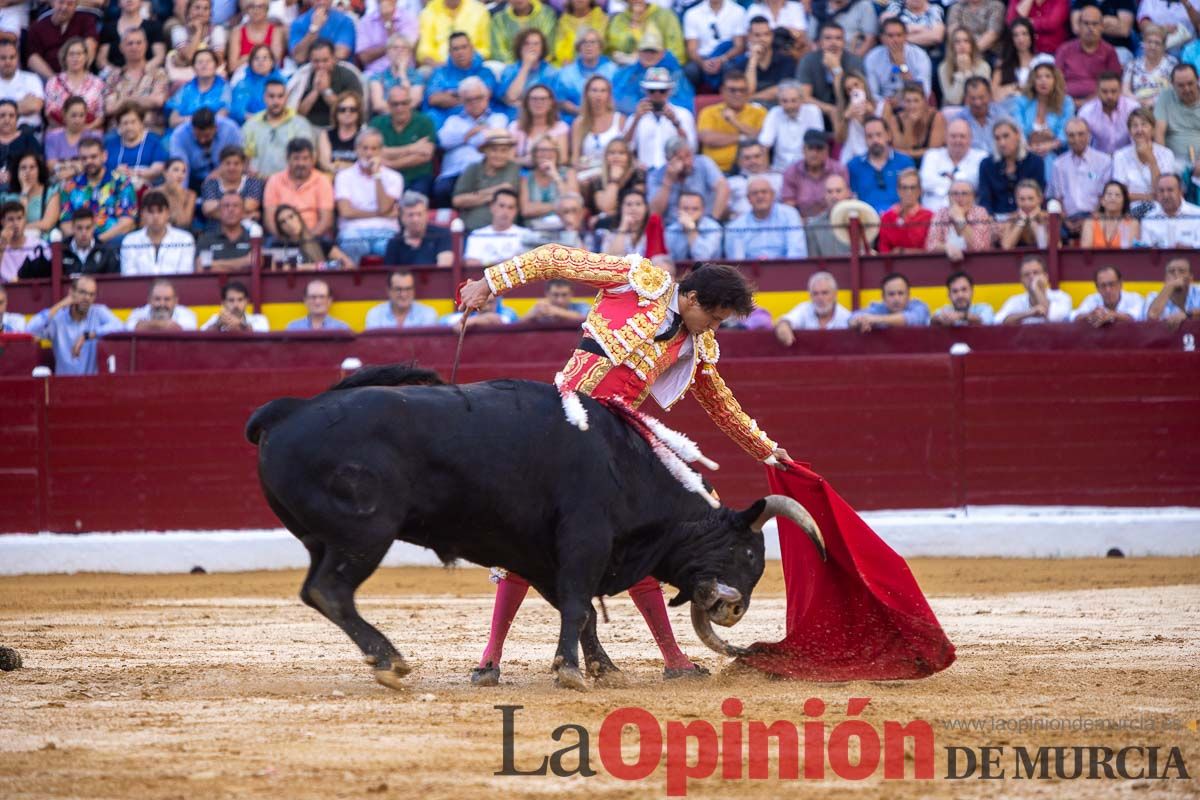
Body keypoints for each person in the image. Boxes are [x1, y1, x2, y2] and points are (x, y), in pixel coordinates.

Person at [458, 246, 794, 686]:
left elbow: (721, 405)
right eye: (713, 318)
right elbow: (556, 259)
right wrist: (490, 283)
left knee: (643, 540)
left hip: (613, 446)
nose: (714, 329)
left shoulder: (698, 344)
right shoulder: (636, 279)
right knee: (525, 537)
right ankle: (490, 657)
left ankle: (673, 657)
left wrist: (767, 450)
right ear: (692, 300)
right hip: (560, 426)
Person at [435, 78, 510, 209]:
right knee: (441, 190)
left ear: (487, 97)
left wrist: (463, 138)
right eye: (469, 100)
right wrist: (471, 133)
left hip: (486, 174)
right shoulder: (453, 120)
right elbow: (443, 141)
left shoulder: (498, 118)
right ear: (462, 101)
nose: (475, 103)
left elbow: (491, 139)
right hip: (455, 173)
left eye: (479, 98)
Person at [26, 275, 123, 376]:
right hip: (64, 385)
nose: (87, 298)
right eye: (82, 293)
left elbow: (120, 327)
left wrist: (86, 336)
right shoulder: (59, 319)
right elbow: (30, 330)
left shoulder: (98, 312)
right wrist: (61, 304)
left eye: (91, 294)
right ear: (71, 293)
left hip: (92, 385)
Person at [57, 138, 138, 245]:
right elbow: (65, 223)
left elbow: (127, 223)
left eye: (93, 157)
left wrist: (97, 242)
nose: (89, 161)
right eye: (84, 158)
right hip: (80, 245)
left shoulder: (121, 182)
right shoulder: (70, 186)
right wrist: (83, 242)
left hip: (112, 244)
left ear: (104, 156)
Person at [622, 67, 697, 171]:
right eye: (652, 91)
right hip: (645, 174)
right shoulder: (635, 117)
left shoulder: (683, 114)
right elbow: (624, 148)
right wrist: (636, 120)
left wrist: (675, 123)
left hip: (675, 172)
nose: (657, 95)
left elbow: (691, 147)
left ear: (670, 91)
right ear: (645, 91)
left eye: (662, 91)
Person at [1049, 119, 1114, 238]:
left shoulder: (1104, 161)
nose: (1076, 139)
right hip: (1067, 219)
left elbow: (1105, 196)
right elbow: (1058, 198)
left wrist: (1092, 218)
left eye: (1081, 134)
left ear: (1089, 135)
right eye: (1071, 135)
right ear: (1066, 137)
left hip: (1095, 216)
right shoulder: (1058, 164)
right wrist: (1065, 221)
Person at [450, 128, 522, 232]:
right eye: (494, 150)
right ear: (485, 150)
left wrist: (474, 195)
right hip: (472, 228)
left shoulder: (512, 167)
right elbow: (457, 201)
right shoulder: (473, 168)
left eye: (504, 150)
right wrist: (494, 195)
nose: (499, 155)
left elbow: (506, 191)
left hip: (505, 230)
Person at [370, 86, 435, 199]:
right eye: (395, 104)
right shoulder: (377, 123)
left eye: (404, 103)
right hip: (385, 176)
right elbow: (373, 151)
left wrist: (391, 164)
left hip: (417, 176)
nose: (400, 108)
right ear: (388, 105)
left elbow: (425, 155)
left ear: (410, 103)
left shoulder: (425, 122)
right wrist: (412, 148)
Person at [243, 79, 316, 179]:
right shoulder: (251, 124)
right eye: (271, 96)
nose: (276, 101)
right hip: (257, 182)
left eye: (280, 96)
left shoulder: (300, 124)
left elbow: (309, 157)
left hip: (291, 182)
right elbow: (243, 156)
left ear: (286, 98)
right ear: (264, 98)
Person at [647, 137, 729, 226]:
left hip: (704, 225)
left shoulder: (703, 163)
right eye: (680, 158)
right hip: (672, 229)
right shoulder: (656, 176)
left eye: (688, 156)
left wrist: (714, 220)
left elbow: (723, 187)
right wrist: (668, 181)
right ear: (668, 160)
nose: (686, 162)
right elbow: (654, 213)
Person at [796, 22, 865, 126]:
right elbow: (804, 97)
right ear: (820, 42)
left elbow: (856, 96)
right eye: (828, 38)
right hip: (818, 113)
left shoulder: (854, 62)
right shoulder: (808, 60)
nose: (833, 43)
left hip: (848, 112)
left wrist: (836, 69)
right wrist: (830, 109)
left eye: (838, 38)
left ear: (844, 42)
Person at [424, 32, 499, 129]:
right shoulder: (441, 73)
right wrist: (470, 97)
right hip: (447, 118)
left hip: (479, 118)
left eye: (464, 47)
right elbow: (433, 99)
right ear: (450, 52)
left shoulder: (485, 72)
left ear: (472, 49)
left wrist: (453, 94)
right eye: (456, 49)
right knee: (431, 116)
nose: (460, 52)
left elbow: (485, 96)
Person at [263, 138, 334, 239]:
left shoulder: (322, 181)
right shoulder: (274, 181)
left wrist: (307, 240)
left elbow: (326, 220)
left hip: (315, 236)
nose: (301, 163)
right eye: (296, 158)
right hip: (281, 237)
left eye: (305, 158)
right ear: (288, 159)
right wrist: (284, 239)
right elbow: (269, 219)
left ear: (312, 159)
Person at [101, 27, 170, 132]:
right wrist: (144, 100)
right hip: (119, 131)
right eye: (130, 43)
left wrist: (125, 100)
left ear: (146, 45)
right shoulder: (113, 77)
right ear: (121, 47)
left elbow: (158, 101)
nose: (135, 47)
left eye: (139, 43)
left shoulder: (159, 73)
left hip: (150, 129)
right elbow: (110, 108)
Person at [698, 72, 767, 174]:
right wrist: (742, 137)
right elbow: (707, 138)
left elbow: (761, 138)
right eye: (732, 90)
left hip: (751, 171)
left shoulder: (759, 112)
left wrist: (735, 121)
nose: (738, 94)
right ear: (722, 91)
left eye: (742, 90)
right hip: (716, 171)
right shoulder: (708, 112)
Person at [725, 176, 805, 259]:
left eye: (764, 192)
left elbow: (796, 252)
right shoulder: (736, 226)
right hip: (749, 271)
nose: (760, 196)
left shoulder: (789, 215)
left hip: (786, 269)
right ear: (748, 198)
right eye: (755, 193)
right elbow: (737, 261)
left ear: (773, 195)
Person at [848, 116, 916, 213]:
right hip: (866, 221)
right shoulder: (854, 165)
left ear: (888, 135)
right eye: (870, 136)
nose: (875, 140)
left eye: (879, 135)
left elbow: (914, 196)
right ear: (864, 139)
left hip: (900, 219)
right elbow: (852, 199)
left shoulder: (905, 162)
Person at [1113, 106, 1176, 211]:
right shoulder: (1120, 156)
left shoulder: (1166, 154)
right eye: (1134, 126)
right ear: (1129, 131)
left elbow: (1163, 190)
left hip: (1160, 209)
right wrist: (1148, 197)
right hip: (1130, 209)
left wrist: (1151, 160)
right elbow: (1119, 193)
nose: (1139, 130)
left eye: (1144, 125)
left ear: (1153, 129)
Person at [169, 108, 244, 194]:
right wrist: (180, 194)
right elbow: (180, 166)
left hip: (224, 176)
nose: (202, 140)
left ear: (215, 128)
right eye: (198, 136)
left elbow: (239, 159)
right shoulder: (179, 136)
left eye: (206, 136)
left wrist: (218, 173)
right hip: (193, 179)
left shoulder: (231, 129)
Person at [978, 120, 1045, 218]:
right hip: (996, 218)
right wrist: (991, 220)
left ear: (1017, 135)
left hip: (1028, 216)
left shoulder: (1035, 162)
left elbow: (1038, 195)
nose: (1002, 143)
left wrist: (1016, 218)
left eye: (1006, 136)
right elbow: (985, 199)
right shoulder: (987, 164)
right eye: (997, 138)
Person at [121, 190, 196, 276]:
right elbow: (129, 278)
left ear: (168, 213)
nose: (155, 217)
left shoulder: (185, 239)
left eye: (160, 211)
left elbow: (185, 276)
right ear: (142, 214)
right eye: (150, 211)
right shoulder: (129, 241)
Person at [1056, 4, 1121, 103]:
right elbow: (1056, 82)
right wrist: (1071, 103)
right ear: (1079, 25)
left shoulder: (1109, 52)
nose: (1090, 28)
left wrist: (1088, 103)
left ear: (1102, 27)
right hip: (1066, 103)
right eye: (1086, 23)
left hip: (1100, 104)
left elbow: (1114, 84)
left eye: (1095, 24)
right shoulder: (1064, 50)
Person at [919, 119, 986, 212]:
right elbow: (926, 183)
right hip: (932, 215)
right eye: (953, 136)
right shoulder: (932, 155)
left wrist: (941, 183)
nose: (957, 140)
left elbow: (977, 184)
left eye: (962, 136)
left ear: (971, 138)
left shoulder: (982, 158)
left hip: (968, 217)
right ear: (945, 138)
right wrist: (962, 185)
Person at [781, 130, 850, 219]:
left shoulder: (839, 170)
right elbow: (788, 206)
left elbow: (846, 198)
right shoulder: (792, 172)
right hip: (801, 224)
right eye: (810, 148)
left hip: (834, 221)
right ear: (803, 150)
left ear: (827, 150)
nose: (814, 153)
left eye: (819, 148)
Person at [1014, 63, 1075, 161]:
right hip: (1026, 150)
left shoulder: (1067, 102)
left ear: (1055, 80)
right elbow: (1018, 128)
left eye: (1048, 76)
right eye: (1038, 77)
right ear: (1033, 82)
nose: (1043, 81)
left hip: (1058, 151)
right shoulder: (1021, 102)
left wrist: (1050, 145)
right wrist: (1027, 146)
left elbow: (1065, 131)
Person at [863, 18, 933, 104]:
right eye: (890, 36)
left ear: (905, 36)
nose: (895, 40)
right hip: (885, 104)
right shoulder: (872, 57)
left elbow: (924, 92)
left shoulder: (919, 56)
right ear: (882, 38)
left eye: (899, 35)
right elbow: (872, 93)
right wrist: (887, 103)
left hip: (912, 103)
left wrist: (902, 65)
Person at [682, 0, 746, 93]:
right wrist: (703, 63)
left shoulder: (738, 11)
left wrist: (721, 59)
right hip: (702, 59)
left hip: (727, 57)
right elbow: (691, 49)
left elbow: (739, 46)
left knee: (731, 68)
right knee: (690, 70)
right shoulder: (692, 13)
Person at [758, 80, 822, 173]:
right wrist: (766, 172)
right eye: (785, 101)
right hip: (779, 171)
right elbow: (764, 145)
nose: (789, 106)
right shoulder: (774, 113)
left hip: (806, 171)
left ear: (802, 100)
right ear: (779, 101)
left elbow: (817, 145)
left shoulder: (813, 112)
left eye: (794, 100)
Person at [26, 0, 98, 81]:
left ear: (76, 6)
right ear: (53, 3)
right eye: (61, 2)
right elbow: (33, 58)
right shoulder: (38, 27)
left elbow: (91, 44)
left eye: (70, 4)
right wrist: (54, 79)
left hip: (81, 76)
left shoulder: (85, 20)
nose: (64, 7)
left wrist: (80, 72)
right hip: (49, 78)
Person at [297, 40, 362, 130]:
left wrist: (326, 91)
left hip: (340, 128)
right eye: (316, 61)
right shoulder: (303, 77)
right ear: (310, 60)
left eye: (325, 60)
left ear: (333, 59)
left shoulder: (348, 76)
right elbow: (299, 114)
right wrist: (315, 91)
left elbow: (352, 111)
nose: (321, 65)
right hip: (309, 127)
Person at [268, 203, 354, 270]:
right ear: (280, 228)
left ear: (298, 217)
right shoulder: (278, 247)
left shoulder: (321, 242)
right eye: (283, 222)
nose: (289, 223)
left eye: (291, 217)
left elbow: (348, 264)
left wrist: (309, 267)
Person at [735, 15, 798, 106]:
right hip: (752, 110)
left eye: (766, 34)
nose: (762, 39)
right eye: (757, 35)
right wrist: (753, 61)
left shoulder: (785, 60)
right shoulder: (741, 64)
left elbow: (783, 89)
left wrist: (752, 98)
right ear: (749, 37)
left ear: (772, 36)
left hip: (779, 108)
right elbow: (747, 91)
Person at [521, 135, 580, 230]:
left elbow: (573, 205)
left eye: (550, 150)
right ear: (534, 154)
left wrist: (555, 176)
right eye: (541, 150)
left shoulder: (569, 173)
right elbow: (526, 210)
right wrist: (557, 206)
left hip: (563, 228)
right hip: (535, 229)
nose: (546, 154)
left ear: (557, 153)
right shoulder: (527, 178)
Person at [44, 38, 105, 130]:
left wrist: (84, 130)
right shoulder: (54, 82)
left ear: (86, 57)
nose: (75, 58)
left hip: (89, 135)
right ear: (64, 58)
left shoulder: (97, 83)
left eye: (79, 54)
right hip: (61, 134)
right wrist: (69, 133)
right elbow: (49, 113)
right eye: (71, 54)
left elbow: (101, 115)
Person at [774, 271, 852, 343]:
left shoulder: (845, 316)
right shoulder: (804, 309)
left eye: (825, 293)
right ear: (810, 296)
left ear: (835, 294)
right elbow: (787, 320)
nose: (820, 298)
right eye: (815, 294)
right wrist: (783, 325)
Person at [570, 75, 624, 175]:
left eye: (603, 91)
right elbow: (575, 158)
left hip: (614, 172)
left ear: (609, 94)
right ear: (587, 94)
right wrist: (580, 166)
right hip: (587, 174)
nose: (598, 95)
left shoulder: (619, 119)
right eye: (594, 90)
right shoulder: (579, 123)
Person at [995, 254, 1073, 324]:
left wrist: (1037, 289)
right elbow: (998, 321)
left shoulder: (1061, 297)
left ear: (1046, 276)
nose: (1032, 277)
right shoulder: (1015, 301)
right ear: (1022, 281)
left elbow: (1055, 318)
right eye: (1026, 275)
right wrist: (1029, 313)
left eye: (1036, 273)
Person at [606, 0, 686, 67]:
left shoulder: (665, 15)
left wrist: (660, 63)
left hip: (663, 67)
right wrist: (634, 29)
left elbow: (676, 51)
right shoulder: (619, 19)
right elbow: (617, 49)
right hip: (629, 69)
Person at [463, 188, 532, 266]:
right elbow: (471, 263)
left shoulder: (526, 234)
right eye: (501, 206)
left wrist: (488, 264)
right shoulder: (477, 234)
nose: (505, 211)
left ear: (516, 211)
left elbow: (527, 264)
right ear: (492, 207)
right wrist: (507, 262)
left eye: (510, 207)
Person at [925, 180, 992, 260]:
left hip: (975, 263)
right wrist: (947, 247)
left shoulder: (980, 213)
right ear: (949, 197)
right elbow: (930, 245)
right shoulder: (941, 213)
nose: (959, 198)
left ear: (972, 197)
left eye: (964, 194)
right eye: (955, 194)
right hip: (945, 264)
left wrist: (960, 219)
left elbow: (979, 247)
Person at [200, 146, 263, 229]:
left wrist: (219, 207)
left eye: (236, 163)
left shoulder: (253, 183)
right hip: (215, 230)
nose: (231, 168)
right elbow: (208, 209)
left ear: (243, 165)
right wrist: (246, 215)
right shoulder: (210, 184)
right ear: (221, 165)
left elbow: (250, 206)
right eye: (227, 163)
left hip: (246, 229)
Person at [165, 48, 229, 130]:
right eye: (200, 62)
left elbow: (222, 116)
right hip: (185, 132)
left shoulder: (224, 87)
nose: (204, 65)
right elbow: (173, 121)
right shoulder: (185, 89)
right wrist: (194, 121)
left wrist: (189, 120)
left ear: (215, 66)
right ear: (193, 67)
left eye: (208, 61)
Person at [105, 105, 168, 187]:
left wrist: (134, 172)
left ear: (141, 123)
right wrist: (115, 172)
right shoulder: (111, 143)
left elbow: (158, 169)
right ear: (119, 126)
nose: (129, 127)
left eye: (133, 122)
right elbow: (103, 170)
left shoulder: (153, 142)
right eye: (125, 123)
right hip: (115, 190)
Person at [384, 191, 452, 267]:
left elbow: (444, 269)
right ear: (402, 217)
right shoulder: (394, 242)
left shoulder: (443, 235)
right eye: (410, 215)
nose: (415, 219)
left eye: (419, 214)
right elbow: (390, 275)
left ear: (427, 215)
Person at [832, 71, 886, 166]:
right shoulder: (842, 110)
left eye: (856, 85)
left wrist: (872, 113)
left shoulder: (881, 105)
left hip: (876, 152)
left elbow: (888, 133)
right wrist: (846, 117)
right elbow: (839, 139)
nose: (854, 90)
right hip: (851, 156)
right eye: (849, 89)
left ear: (863, 84)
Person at [509, 82, 570, 166]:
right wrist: (524, 161)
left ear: (551, 103)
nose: (538, 103)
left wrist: (537, 161)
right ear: (527, 103)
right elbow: (509, 159)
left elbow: (563, 159)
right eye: (534, 99)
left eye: (543, 99)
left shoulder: (560, 127)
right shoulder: (515, 126)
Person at [1078, 71, 1139, 155]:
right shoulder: (1086, 112)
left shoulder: (1133, 108)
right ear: (1097, 91)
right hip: (1098, 159)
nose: (1109, 96)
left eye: (1113, 91)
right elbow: (1081, 142)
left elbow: (1139, 141)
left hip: (1127, 158)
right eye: (1104, 91)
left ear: (1120, 90)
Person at [886, 80, 946, 164]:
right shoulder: (895, 120)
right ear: (903, 102)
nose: (912, 106)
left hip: (932, 162)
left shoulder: (936, 117)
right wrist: (909, 125)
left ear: (924, 101)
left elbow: (934, 152)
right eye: (908, 101)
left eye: (916, 101)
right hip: (905, 163)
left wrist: (909, 153)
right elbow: (899, 152)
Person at [416, 0, 490, 68]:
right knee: (424, 71)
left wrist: (467, 61)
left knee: (494, 66)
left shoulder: (478, 9)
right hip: (439, 66)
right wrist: (437, 65)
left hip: (474, 64)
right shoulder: (429, 11)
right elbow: (424, 50)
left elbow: (485, 48)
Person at [498, 29, 558, 111]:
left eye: (536, 44)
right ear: (520, 47)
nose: (531, 47)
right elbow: (511, 97)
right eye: (526, 43)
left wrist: (523, 104)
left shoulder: (551, 72)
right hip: (514, 116)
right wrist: (526, 66)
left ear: (542, 48)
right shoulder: (510, 70)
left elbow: (551, 102)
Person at [1154, 63, 1200, 170]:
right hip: (1174, 161)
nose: (1187, 89)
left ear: (1197, 80)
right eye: (1181, 85)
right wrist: (1163, 162)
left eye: (1190, 83)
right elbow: (1159, 132)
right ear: (1172, 85)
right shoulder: (1165, 96)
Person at [355, 0, 419, 77]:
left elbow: (403, 50)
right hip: (374, 73)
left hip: (404, 71)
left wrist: (388, 22)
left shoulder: (408, 19)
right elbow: (364, 57)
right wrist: (390, 47)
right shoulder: (366, 21)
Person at [585, 138, 645, 220]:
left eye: (621, 153)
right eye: (612, 153)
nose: (616, 156)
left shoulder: (638, 176)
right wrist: (614, 180)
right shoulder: (598, 180)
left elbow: (635, 206)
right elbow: (606, 207)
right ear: (606, 157)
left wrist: (605, 215)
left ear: (629, 157)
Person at [848, 272, 930, 330]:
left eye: (900, 293)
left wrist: (875, 319)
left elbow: (910, 319)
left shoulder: (919, 307)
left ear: (908, 296)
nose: (896, 298)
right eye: (891, 294)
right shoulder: (879, 308)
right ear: (883, 297)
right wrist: (859, 322)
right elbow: (852, 317)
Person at [6, 153, 62, 237]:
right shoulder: (9, 198)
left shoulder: (51, 193)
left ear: (39, 170)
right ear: (17, 172)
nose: (27, 171)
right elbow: (12, 224)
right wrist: (24, 193)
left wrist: (20, 229)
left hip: (42, 243)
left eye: (32, 167)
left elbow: (47, 224)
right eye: (23, 168)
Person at [877, 168, 932, 253]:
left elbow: (930, 250)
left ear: (920, 190)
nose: (908, 192)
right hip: (892, 264)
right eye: (904, 187)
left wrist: (904, 251)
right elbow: (883, 249)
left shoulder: (930, 216)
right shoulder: (887, 217)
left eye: (913, 187)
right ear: (898, 190)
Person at [367, 35, 425, 115]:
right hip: (385, 118)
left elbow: (414, 102)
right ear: (387, 52)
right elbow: (378, 105)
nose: (399, 51)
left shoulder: (417, 76)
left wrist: (402, 73)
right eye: (395, 48)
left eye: (404, 48)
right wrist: (400, 110)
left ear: (409, 53)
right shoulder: (377, 77)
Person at [196, 193, 255, 272]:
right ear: (219, 211)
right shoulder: (206, 239)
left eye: (236, 205)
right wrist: (243, 263)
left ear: (243, 211)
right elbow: (201, 267)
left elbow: (257, 263)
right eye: (226, 206)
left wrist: (215, 264)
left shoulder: (253, 237)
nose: (231, 210)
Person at [229, 44, 285, 124]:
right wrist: (261, 121)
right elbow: (237, 111)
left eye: (265, 58)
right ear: (250, 63)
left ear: (272, 62)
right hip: (250, 126)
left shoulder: (282, 81)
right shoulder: (243, 84)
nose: (260, 62)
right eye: (256, 58)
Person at [1140, 173, 1200, 247]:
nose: (1165, 195)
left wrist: (1189, 248)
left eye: (1170, 190)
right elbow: (1146, 252)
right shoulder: (1149, 219)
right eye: (1161, 191)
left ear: (1181, 192)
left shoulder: (1197, 215)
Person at [725, 141, 782, 218]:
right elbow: (725, 210)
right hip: (741, 226)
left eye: (757, 156)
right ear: (739, 161)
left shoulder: (779, 179)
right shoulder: (731, 183)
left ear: (765, 157)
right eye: (747, 158)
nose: (753, 161)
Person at [365, 269, 438, 328]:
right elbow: (374, 345)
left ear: (414, 290)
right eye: (398, 289)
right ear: (388, 291)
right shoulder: (375, 314)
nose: (404, 294)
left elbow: (426, 344)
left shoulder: (427, 313)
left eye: (408, 289)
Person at [1071, 265, 1144, 325]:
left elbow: (1136, 317)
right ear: (1097, 288)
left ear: (1120, 284)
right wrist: (1090, 315)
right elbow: (1075, 317)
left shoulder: (1134, 298)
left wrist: (1112, 315)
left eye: (1112, 284)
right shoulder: (1091, 299)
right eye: (1103, 285)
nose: (1108, 290)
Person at [1123, 24, 1174, 108]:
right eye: (1149, 42)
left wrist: (1153, 101)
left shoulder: (1172, 64)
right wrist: (1138, 102)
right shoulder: (1132, 65)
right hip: (1137, 108)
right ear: (1143, 44)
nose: (1153, 46)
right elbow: (1125, 91)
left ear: (1164, 46)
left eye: (1157, 43)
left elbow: (1173, 90)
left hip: (1163, 107)